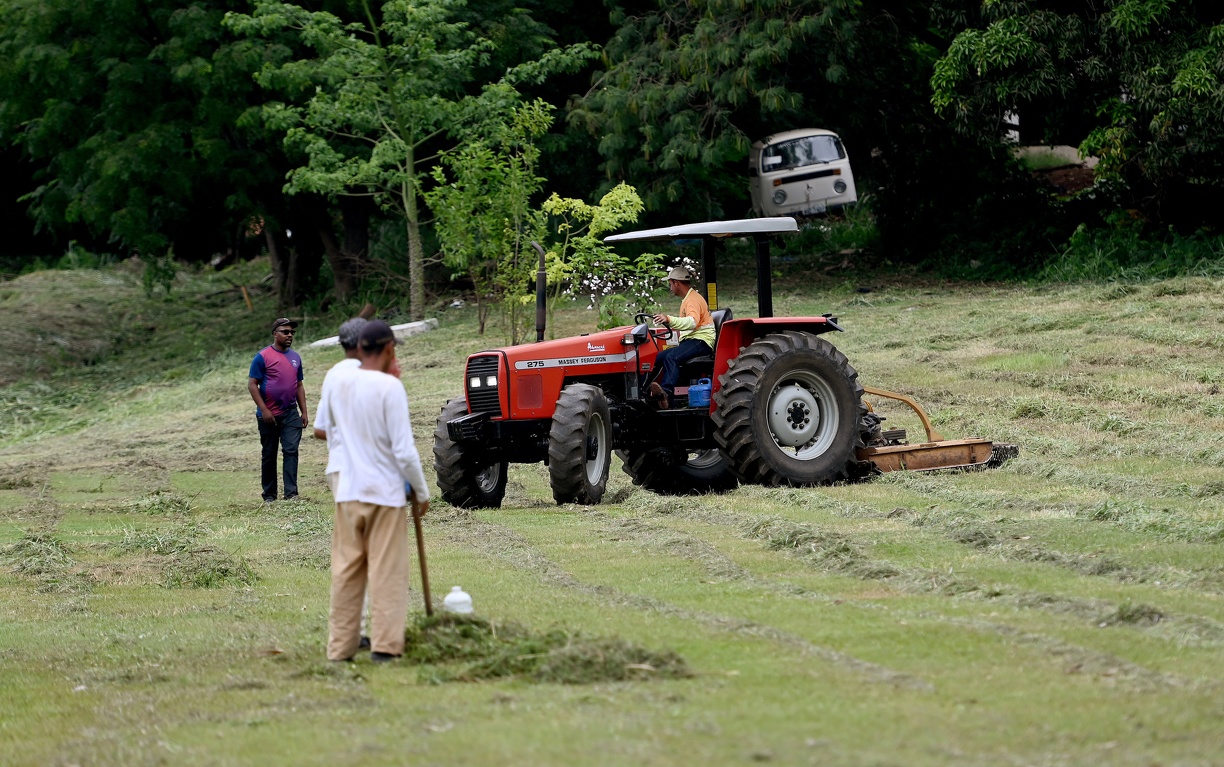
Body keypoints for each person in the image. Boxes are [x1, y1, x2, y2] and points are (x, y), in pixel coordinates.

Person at [320, 320, 430, 663]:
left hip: (348, 492)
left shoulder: (338, 383)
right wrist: (422, 492)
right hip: (383, 493)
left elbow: (329, 431)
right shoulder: (389, 388)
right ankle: (384, 647)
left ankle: (340, 649)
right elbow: (404, 451)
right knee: (386, 570)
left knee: (347, 570)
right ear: (388, 349)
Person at [248, 317, 308, 502]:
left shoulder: (295, 357)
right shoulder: (263, 357)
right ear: (275, 334)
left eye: (292, 332)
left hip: (290, 413)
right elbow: (252, 385)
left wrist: (303, 411)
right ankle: (269, 495)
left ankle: (291, 494)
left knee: (291, 451)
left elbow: (298, 385)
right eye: (285, 332)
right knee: (269, 454)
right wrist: (264, 410)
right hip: (269, 415)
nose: (290, 335)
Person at [646, 266, 716, 409]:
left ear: (676, 283)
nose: (670, 287)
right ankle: (645, 392)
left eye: (670, 283)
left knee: (672, 357)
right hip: (691, 339)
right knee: (655, 358)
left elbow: (692, 322)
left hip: (701, 341)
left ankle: (665, 393)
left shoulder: (692, 300)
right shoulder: (688, 299)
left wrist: (669, 319)